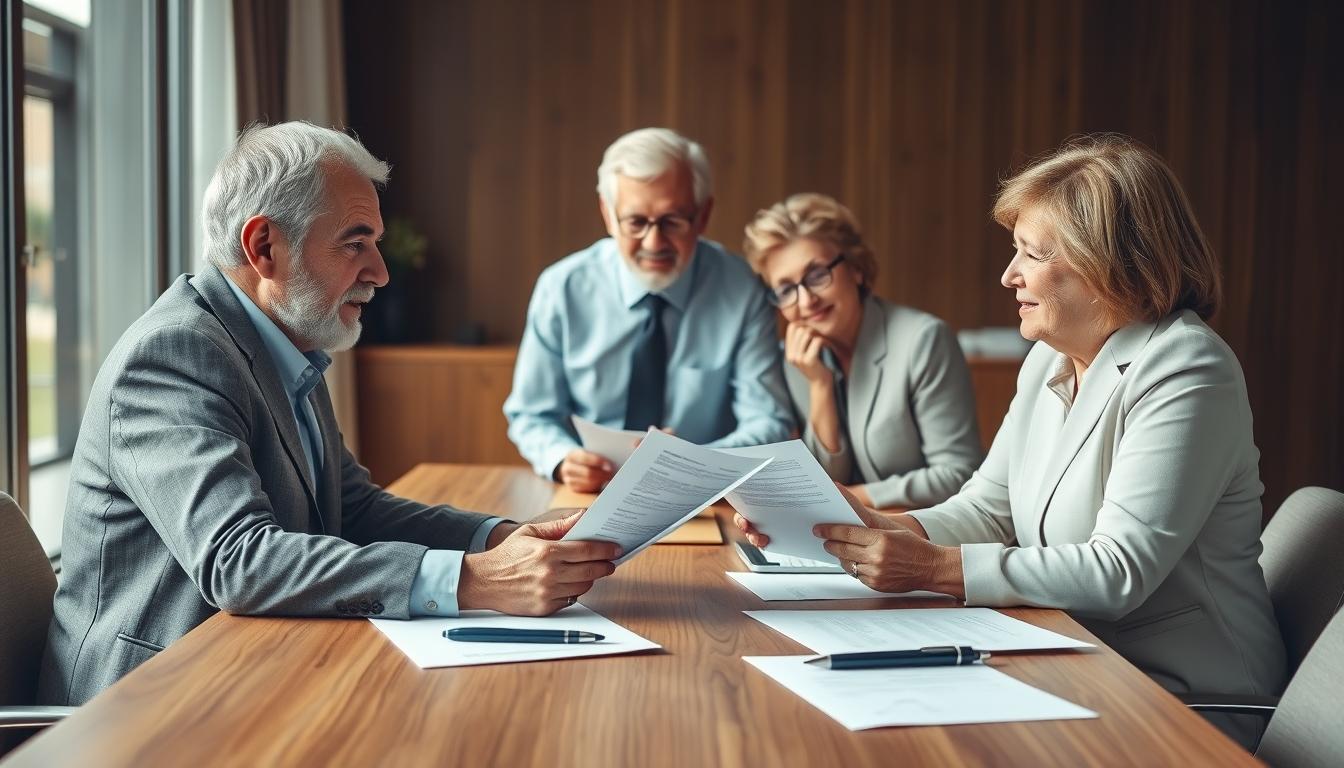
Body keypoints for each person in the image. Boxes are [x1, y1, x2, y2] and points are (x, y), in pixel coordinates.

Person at [39, 122, 620, 706]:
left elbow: (353, 509)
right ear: (263, 246)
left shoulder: (289, 342)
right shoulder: (172, 356)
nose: (380, 271)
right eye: (354, 243)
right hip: (144, 705)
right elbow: (240, 562)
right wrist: (477, 580)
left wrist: (500, 538)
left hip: (252, 668)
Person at [736, 135, 1285, 745]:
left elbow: (1118, 571)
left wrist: (938, 568)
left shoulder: (1187, 368)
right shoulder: (1047, 358)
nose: (1008, 275)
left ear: (1106, 262)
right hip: (1076, 660)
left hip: (1185, 697)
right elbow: (986, 508)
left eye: (1031, 253)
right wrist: (865, 523)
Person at [504, 128, 793, 491]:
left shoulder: (743, 290)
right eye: (636, 222)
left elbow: (768, 420)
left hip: (703, 495)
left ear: (703, 216)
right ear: (608, 215)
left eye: (673, 221)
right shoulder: (562, 288)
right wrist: (561, 458)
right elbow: (531, 414)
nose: (654, 243)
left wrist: (696, 463)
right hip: (589, 492)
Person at [742, 193, 982, 509]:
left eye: (816, 275)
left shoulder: (923, 340)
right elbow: (824, 477)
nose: (805, 301)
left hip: (920, 533)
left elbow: (959, 474)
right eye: (786, 289)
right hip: (846, 535)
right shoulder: (796, 358)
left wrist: (851, 499)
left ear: (855, 267)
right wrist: (820, 386)